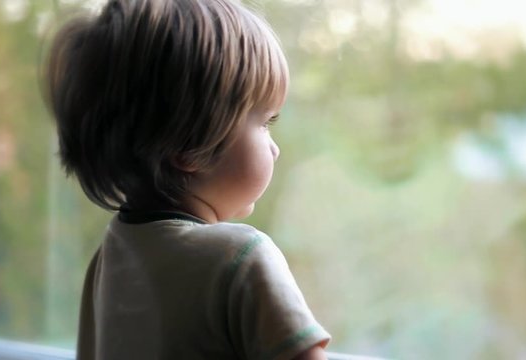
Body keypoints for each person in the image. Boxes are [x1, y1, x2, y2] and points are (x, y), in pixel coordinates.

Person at [42, 0, 331, 359]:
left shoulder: (108, 260)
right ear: (191, 146)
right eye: (264, 123)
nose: (275, 151)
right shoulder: (242, 260)